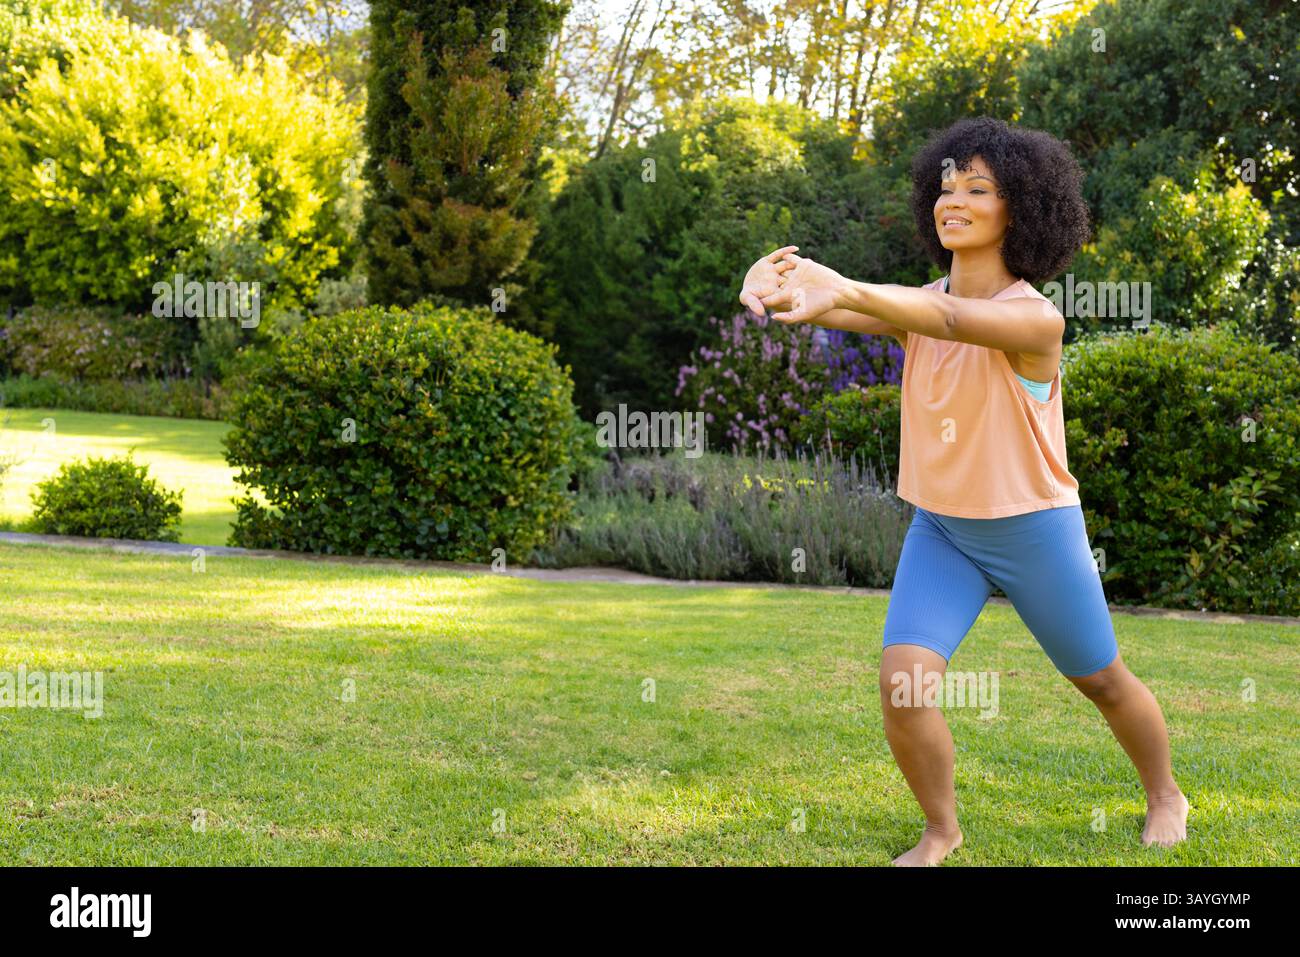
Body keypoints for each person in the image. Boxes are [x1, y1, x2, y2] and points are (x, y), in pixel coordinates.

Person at [738, 117, 1188, 866]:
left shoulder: (1036, 319)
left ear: (1023, 210)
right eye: (947, 186)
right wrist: (773, 285)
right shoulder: (918, 302)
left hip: (1034, 529)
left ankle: (1166, 793)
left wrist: (843, 283)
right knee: (903, 686)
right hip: (944, 531)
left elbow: (947, 317)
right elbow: (858, 308)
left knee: (1104, 681)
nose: (955, 199)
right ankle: (941, 830)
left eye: (979, 189)